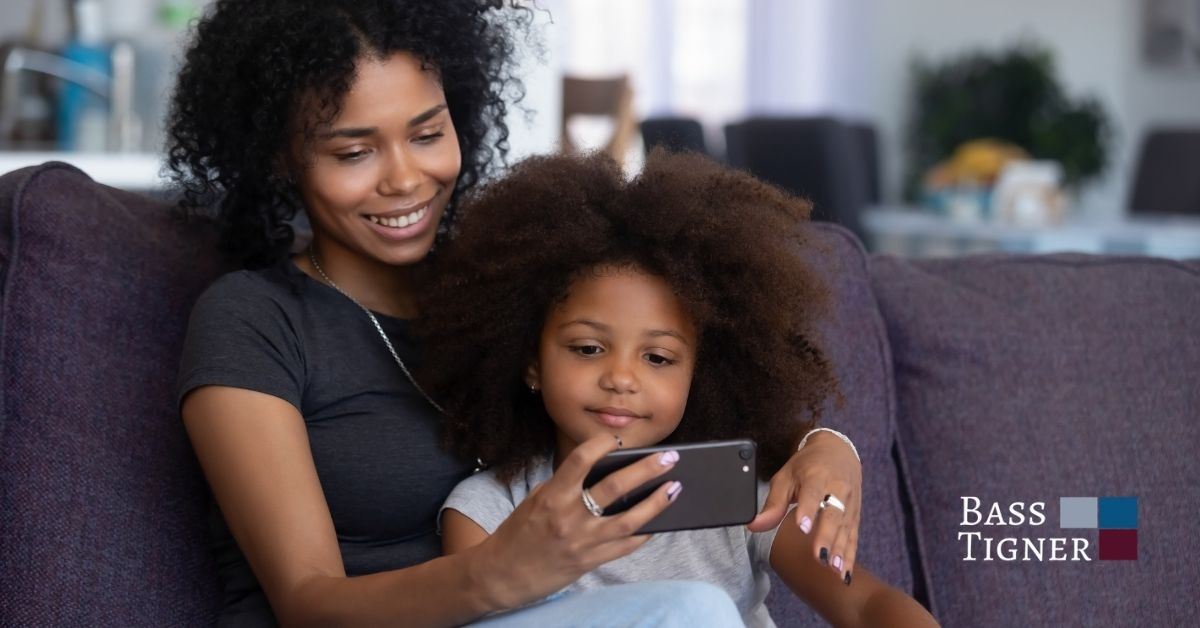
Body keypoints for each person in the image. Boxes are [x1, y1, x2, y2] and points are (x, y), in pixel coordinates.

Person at [169, 0, 865, 625]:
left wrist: (826, 448)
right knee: (691, 613)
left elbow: (669, 389)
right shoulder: (253, 320)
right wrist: (499, 573)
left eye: (427, 133)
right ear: (281, 158)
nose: (405, 177)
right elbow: (306, 601)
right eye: (354, 150)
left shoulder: (506, 288)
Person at [424, 151, 937, 627]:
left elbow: (865, 602)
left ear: (701, 375)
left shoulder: (740, 498)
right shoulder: (486, 512)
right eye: (587, 348)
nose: (621, 379)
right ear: (531, 363)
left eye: (658, 358)